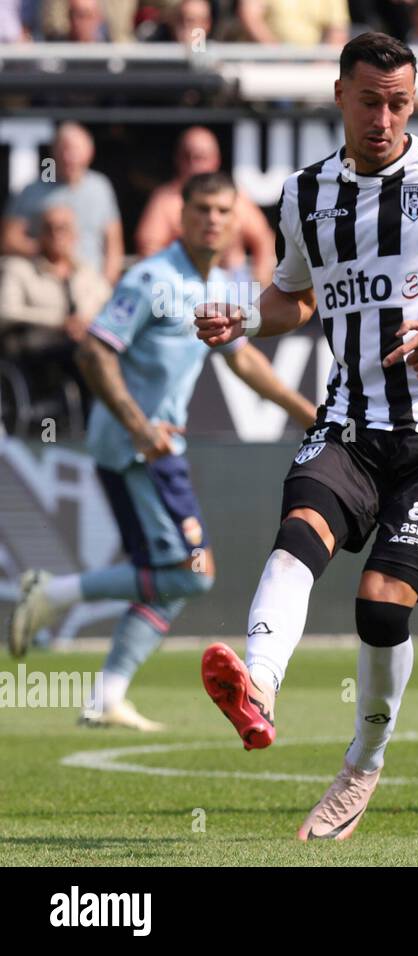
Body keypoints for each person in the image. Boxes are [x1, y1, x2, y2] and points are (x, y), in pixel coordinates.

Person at [191, 33, 418, 841]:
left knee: (380, 607)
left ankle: (362, 763)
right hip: (350, 422)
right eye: (369, 101)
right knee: (296, 540)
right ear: (339, 96)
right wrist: (241, 310)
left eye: (399, 103)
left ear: (413, 102)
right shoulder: (303, 195)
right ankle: (259, 686)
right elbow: (295, 298)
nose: (384, 118)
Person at [6, 172, 317, 732]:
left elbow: (242, 359)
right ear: (183, 214)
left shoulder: (218, 283)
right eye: (202, 209)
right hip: (135, 449)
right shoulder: (151, 278)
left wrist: (306, 415)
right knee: (191, 573)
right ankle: (53, 593)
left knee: (165, 577)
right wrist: (139, 426)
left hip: (156, 448)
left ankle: (107, 694)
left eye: (225, 211)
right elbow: (95, 353)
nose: (214, 220)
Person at [135, 126, 277, 288]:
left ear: (216, 159)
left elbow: (264, 239)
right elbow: (149, 248)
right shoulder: (165, 201)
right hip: (183, 284)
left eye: (201, 157)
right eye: (187, 157)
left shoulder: (237, 199)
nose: (194, 164)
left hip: (234, 285)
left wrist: (259, 279)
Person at [3, 122, 123, 284]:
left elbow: (114, 245)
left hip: (89, 282)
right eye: (65, 149)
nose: (69, 157)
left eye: (76, 150)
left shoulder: (100, 187)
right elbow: (9, 239)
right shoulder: (33, 190)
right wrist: (45, 249)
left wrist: (106, 285)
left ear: (90, 152)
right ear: (54, 152)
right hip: (43, 281)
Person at [0, 205, 111, 344]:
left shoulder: (88, 274)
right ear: (40, 234)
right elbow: (6, 313)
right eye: (49, 228)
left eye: (62, 228)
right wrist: (59, 321)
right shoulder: (18, 269)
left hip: (81, 351)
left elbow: (109, 309)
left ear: (75, 234)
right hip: (33, 354)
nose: (56, 234)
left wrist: (86, 323)